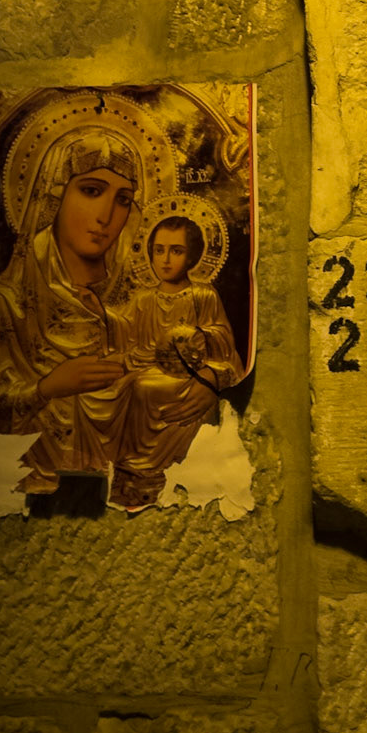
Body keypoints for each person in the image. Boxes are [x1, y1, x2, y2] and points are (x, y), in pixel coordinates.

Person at [0, 126, 140, 494]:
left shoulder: (112, 318)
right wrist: (49, 387)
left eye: (123, 200)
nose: (106, 215)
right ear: (54, 195)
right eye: (91, 191)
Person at [111, 213, 244, 512]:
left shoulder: (202, 295)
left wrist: (199, 337)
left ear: (193, 255)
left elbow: (223, 340)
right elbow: (125, 336)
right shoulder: (144, 300)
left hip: (188, 376)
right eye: (159, 250)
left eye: (176, 250)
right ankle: (133, 471)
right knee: (130, 385)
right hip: (147, 371)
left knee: (146, 387)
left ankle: (156, 471)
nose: (166, 259)